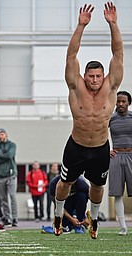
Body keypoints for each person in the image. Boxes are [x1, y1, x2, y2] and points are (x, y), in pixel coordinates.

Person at [54, 2, 123, 239]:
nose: (94, 80)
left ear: (104, 77)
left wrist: (113, 24)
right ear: (84, 76)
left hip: (101, 148)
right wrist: (81, 25)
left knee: (97, 187)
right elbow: (71, 55)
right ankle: (57, 214)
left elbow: (118, 53)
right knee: (65, 183)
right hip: (76, 145)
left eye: (98, 76)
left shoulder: (111, 87)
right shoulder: (76, 86)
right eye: (90, 76)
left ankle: (93, 220)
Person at [108, 91, 132, 236]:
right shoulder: (110, 118)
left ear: (129, 103)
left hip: (131, 155)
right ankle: (123, 227)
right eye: (118, 101)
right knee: (117, 194)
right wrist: (106, 151)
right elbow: (100, 133)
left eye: (123, 101)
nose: (120, 104)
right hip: (116, 156)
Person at [0, 128, 18, 227]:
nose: (0, 136)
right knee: (3, 199)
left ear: (6, 135)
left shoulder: (12, 145)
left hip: (11, 175)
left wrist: (0, 156)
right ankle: (7, 218)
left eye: (2, 134)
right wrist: (3, 156)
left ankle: (14, 218)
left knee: (12, 197)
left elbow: (10, 155)